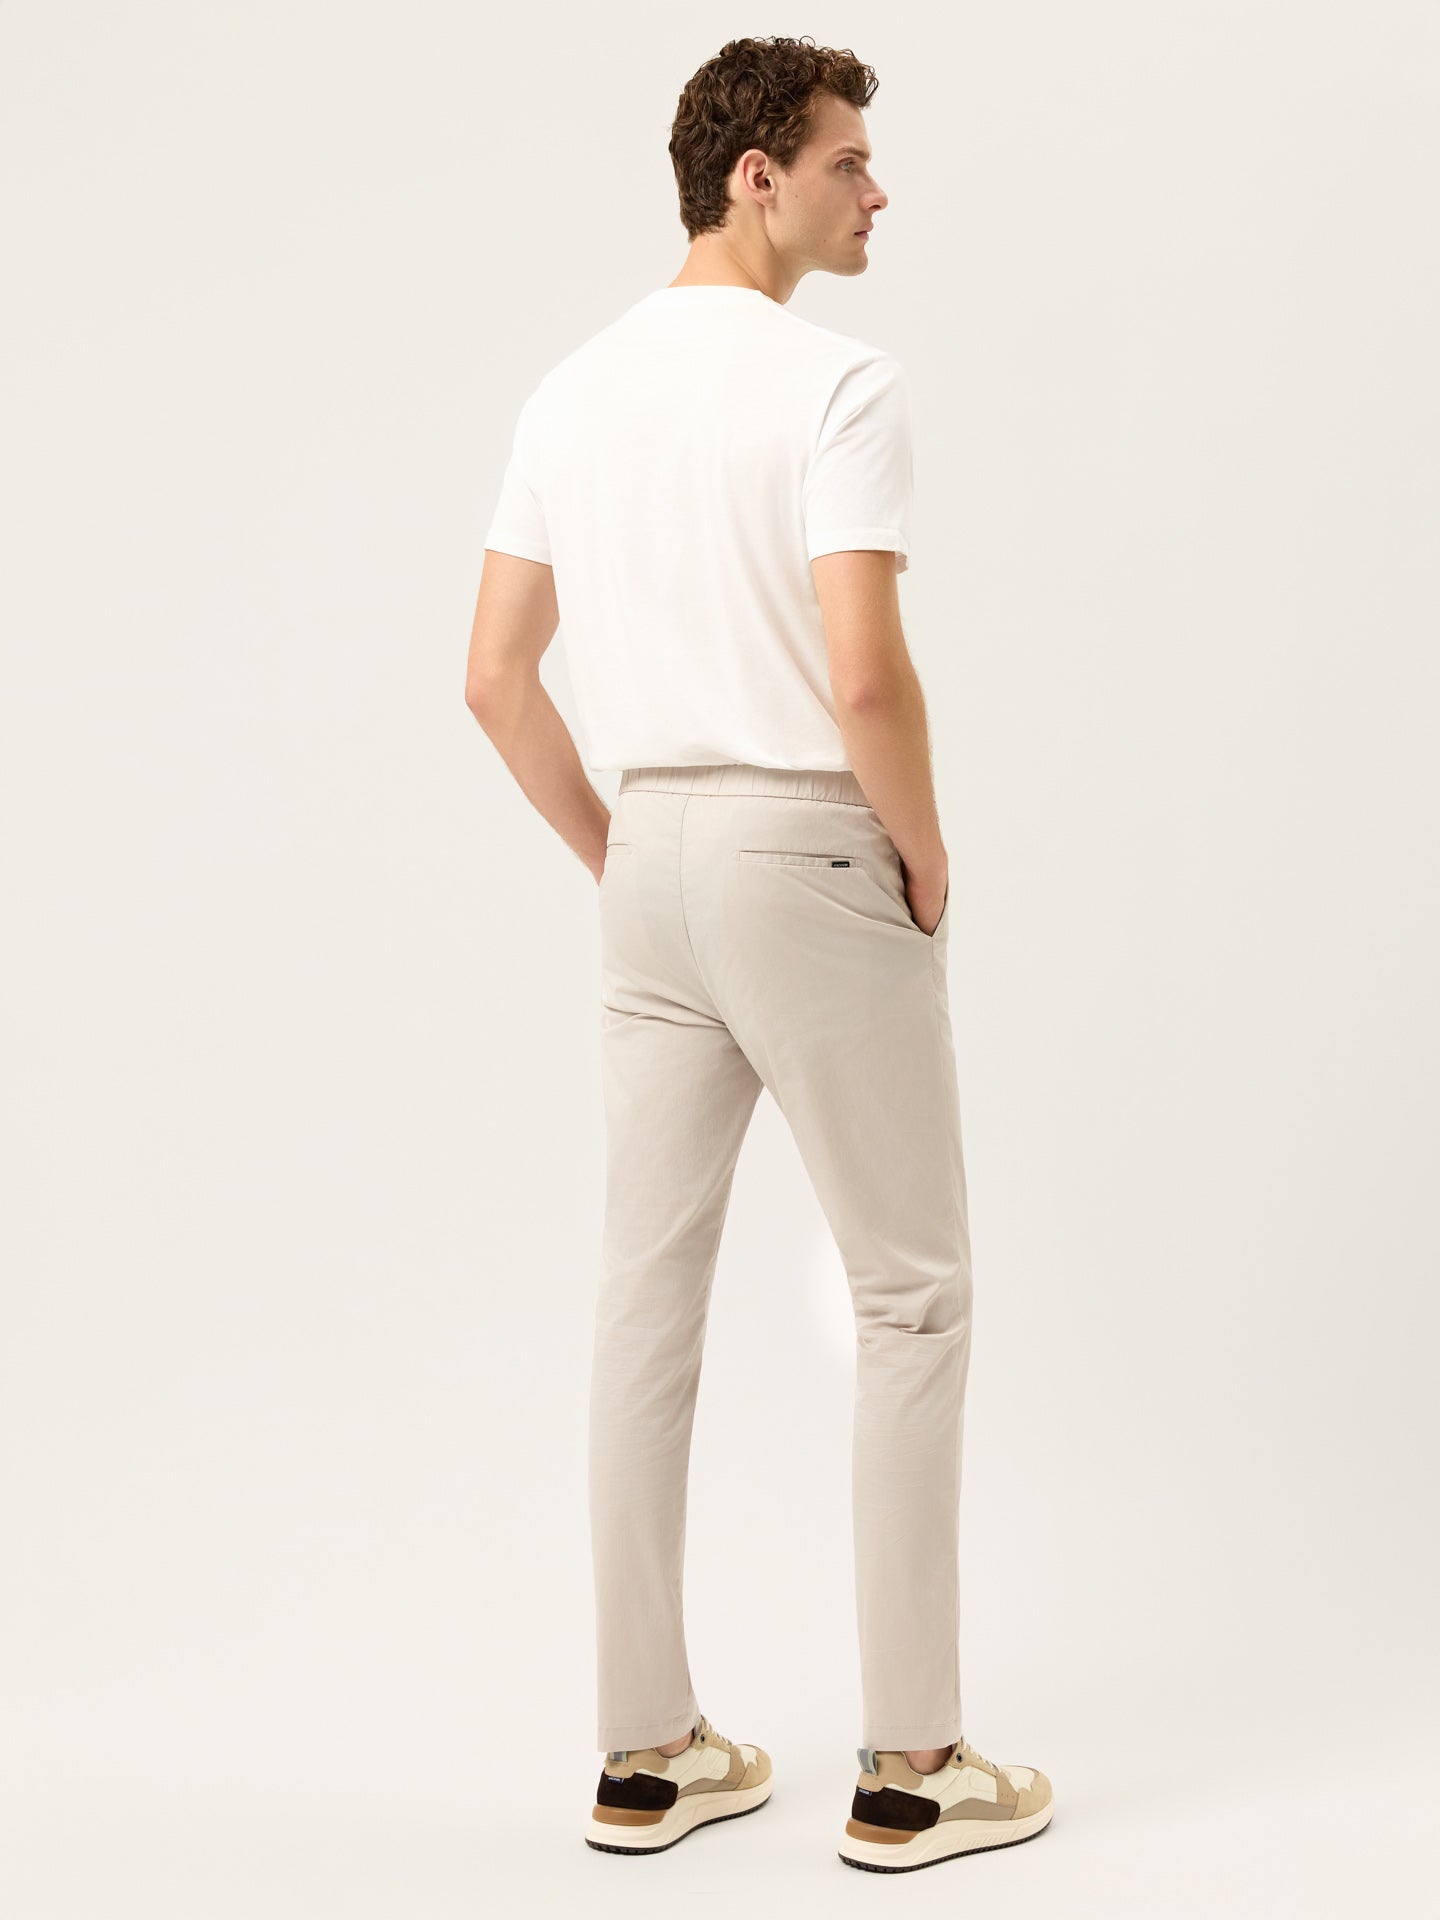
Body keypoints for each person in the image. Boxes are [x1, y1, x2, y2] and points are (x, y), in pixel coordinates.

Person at [465, 34, 1052, 1873]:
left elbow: (493, 677)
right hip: (808, 842)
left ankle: (645, 1754)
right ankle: (914, 1767)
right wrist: (924, 854)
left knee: (643, 1300)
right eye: (850, 159)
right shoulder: (839, 384)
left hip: (650, 855)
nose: (879, 190)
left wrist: (616, 852)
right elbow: (864, 677)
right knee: (913, 1297)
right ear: (756, 176)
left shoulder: (569, 392)